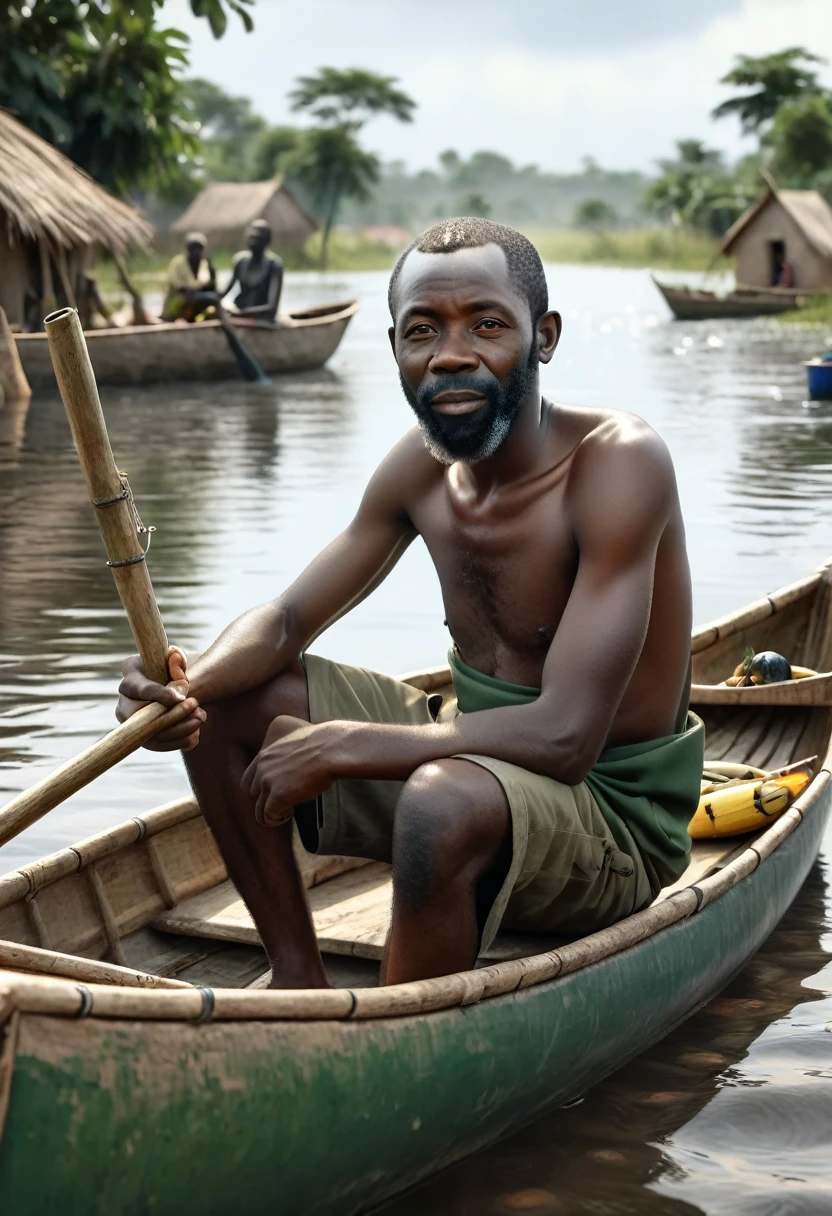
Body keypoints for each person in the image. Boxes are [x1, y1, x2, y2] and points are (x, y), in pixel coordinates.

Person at [117, 218, 703, 990]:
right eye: (423, 331)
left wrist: (339, 746)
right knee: (230, 704)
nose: (452, 355)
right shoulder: (421, 471)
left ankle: (392, 1038)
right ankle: (298, 976)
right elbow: (288, 620)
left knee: (438, 801)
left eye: (488, 325)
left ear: (544, 338)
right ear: (396, 346)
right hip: (479, 759)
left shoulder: (618, 465)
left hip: (611, 820)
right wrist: (184, 689)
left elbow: (566, 740)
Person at [221, 219, 283, 322]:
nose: (253, 241)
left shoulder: (274, 265)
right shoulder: (240, 261)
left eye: (258, 238)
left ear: (267, 241)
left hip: (263, 320)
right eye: (251, 237)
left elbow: (272, 308)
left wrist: (241, 314)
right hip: (238, 316)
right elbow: (223, 293)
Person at [162, 232, 217, 322]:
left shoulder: (204, 263)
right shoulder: (177, 263)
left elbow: (205, 284)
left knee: (212, 299)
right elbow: (177, 285)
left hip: (197, 300)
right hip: (177, 302)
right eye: (193, 248)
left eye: (199, 248)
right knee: (194, 298)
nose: (196, 252)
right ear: (187, 249)